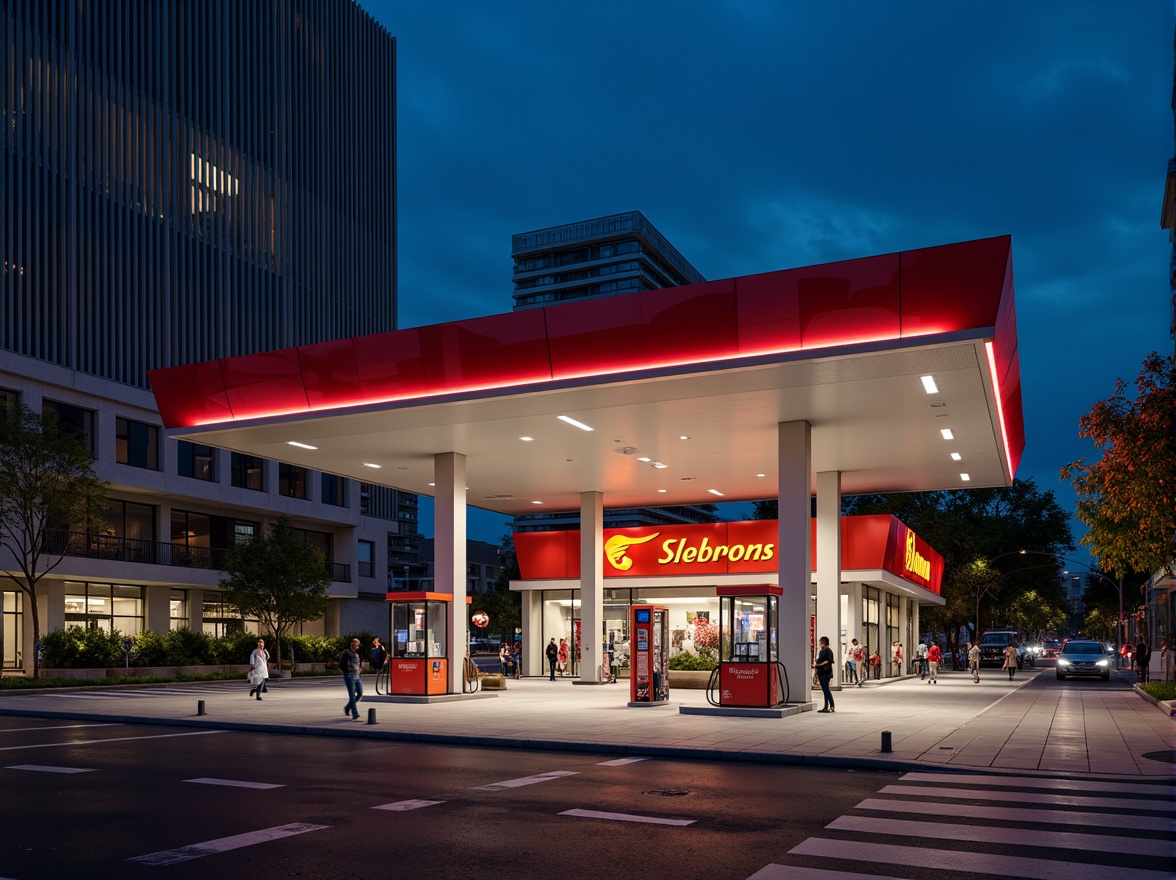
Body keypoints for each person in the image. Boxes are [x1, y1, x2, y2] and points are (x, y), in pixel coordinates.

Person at [341, 637, 363, 720]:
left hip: (357, 676)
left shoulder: (356, 654)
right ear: (353, 644)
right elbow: (341, 663)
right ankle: (355, 713)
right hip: (349, 676)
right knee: (352, 695)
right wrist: (347, 670)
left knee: (360, 693)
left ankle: (347, 707)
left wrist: (359, 668)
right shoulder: (346, 652)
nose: (358, 646)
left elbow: (357, 663)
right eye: (357, 644)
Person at [813, 636, 835, 713]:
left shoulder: (828, 651)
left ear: (824, 643)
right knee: (825, 690)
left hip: (826, 672)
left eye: (820, 642)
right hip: (821, 672)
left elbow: (828, 661)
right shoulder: (821, 651)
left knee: (826, 690)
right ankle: (826, 706)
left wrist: (819, 665)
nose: (819, 643)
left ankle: (831, 706)